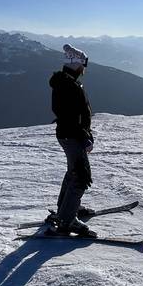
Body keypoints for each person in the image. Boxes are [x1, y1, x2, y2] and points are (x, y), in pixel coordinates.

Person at [48, 44, 97, 237]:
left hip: (67, 134)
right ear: (77, 64)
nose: (84, 69)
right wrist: (84, 136)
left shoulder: (63, 83)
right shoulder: (70, 86)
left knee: (74, 172)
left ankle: (66, 210)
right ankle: (67, 220)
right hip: (73, 135)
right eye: (83, 65)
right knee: (81, 176)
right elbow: (71, 116)